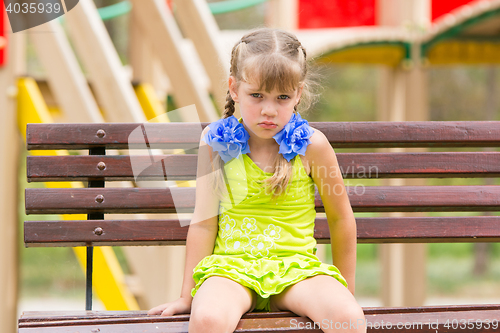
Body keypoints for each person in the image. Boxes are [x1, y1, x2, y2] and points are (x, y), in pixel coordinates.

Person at [148, 27, 366, 333]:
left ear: (298, 94)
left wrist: (345, 292)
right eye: (256, 95)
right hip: (231, 269)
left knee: (348, 319)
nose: (269, 109)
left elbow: (341, 218)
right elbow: (204, 221)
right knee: (208, 319)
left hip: (295, 268)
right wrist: (187, 296)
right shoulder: (215, 143)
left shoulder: (313, 146)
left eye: (282, 97)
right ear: (234, 89)